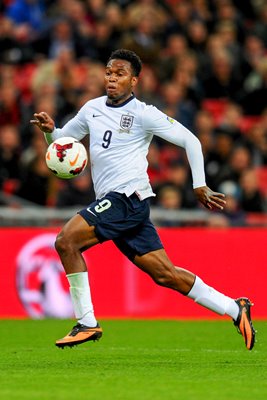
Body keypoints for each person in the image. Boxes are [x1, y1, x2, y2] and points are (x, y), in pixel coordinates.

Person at [31, 49, 256, 351]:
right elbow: (62, 142)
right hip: (121, 205)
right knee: (166, 275)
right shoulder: (92, 109)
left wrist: (199, 184)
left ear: (134, 81)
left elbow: (191, 139)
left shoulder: (143, 114)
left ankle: (86, 323)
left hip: (127, 198)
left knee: (66, 241)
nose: (112, 78)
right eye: (109, 72)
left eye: (120, 74)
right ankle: (234, 308)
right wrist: (49, 133)